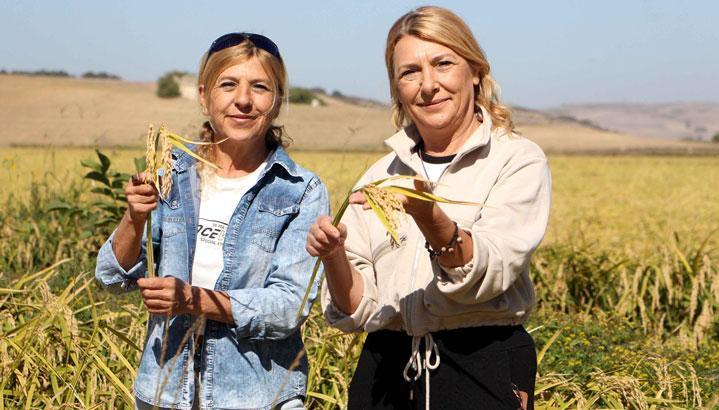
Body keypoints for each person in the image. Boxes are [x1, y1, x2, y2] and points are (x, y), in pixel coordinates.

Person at [306, 6, 551, 410]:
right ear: (396, 87)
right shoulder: (380, 176)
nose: (428, 85)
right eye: (409, 72)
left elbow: (488, 272)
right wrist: (334, 257)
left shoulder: (516, 160)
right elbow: (357, 309)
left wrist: (428, 214)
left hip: (480, 362)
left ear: (475, 71)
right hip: (385, 367)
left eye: (443, 64)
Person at [96, 32, 328, 409]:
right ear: (204, 97)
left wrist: (194, 300)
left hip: (256, 397)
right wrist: (135, 218)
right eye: (228, 85)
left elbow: (288, 307)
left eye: (260, 87)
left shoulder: (301, 191)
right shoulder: (170, 173)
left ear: (277, 102)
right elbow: (110, 277)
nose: (243, 100)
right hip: (165, 394)